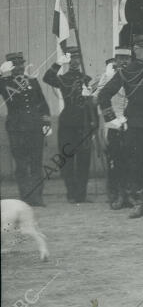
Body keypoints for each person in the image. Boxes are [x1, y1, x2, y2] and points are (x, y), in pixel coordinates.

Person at [98, 34, 143, 218]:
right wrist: (111, 119)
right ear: (135, 50)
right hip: (136, 127)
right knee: (136, 164)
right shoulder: (126, 71)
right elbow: (104, 95)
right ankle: (139, 203)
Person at [43, 46, 97, 204]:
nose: (75, 61)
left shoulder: (87, 79)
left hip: (84, 123)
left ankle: (81, 194)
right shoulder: (63, 79)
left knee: (84, 160)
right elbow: (47, 78)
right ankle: (71, 193)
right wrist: (58, 64)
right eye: (72, 58)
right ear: (68, 61)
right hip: (67, 123)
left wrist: (93, 124)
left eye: (78, 58)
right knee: (67, 159)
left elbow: (92, 105)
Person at [0, 52, 51, 206]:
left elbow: (42, 103)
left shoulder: (32, 81)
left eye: (21, 64)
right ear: (10, 67)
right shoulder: (4, 83)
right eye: (15, 65)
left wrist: (47, 123)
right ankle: (26, 197)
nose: (19, 67)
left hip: (35, 127)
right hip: (17, 129)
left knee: (36, 162)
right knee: (21, 164)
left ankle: (37, 197)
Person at [92, 47, 132, 209]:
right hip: (112, 123)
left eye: (126, 58)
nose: (123, 61)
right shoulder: (108, 76)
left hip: (130, 123)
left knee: (129, 160)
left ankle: (129, 194)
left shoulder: (134, 77)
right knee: (115, 161)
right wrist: (112, 119)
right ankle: (115, 195)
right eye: (120, 58)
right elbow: (97, 100)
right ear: (115, 59)